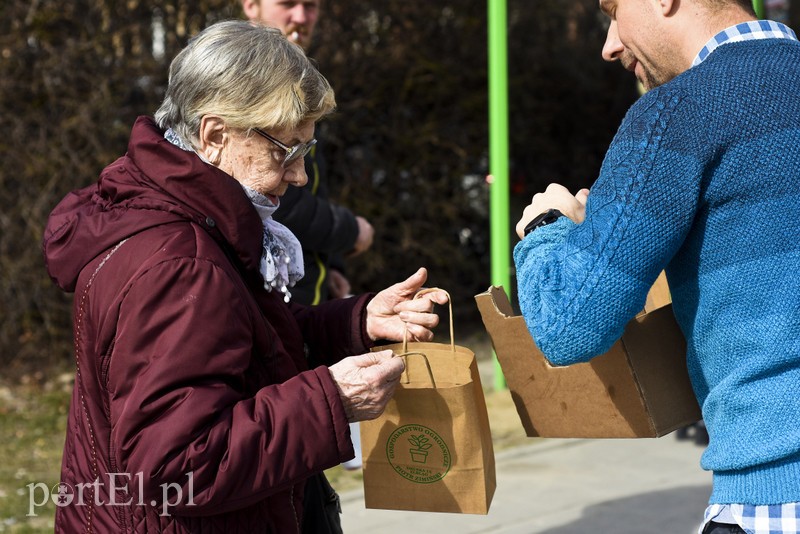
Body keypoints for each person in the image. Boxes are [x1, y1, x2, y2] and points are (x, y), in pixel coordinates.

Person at [42, 21, 447, 533]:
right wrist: (331, 401)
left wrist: (355, 321)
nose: (299, 175)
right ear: (214, 135)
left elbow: (240, 346)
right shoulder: (180, 263)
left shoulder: (176, 217)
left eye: (307, 151)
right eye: (288, 149)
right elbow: (178, 466)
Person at [513, 1, 800, 533]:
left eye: (613, 10)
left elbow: (568, 324)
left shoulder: (678, 113)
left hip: (773, 501)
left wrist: (546, 231)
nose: (609, 43)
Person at [242, 0, 375, 306]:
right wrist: (351, 230)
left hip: (299, 301)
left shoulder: (294, 74)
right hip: (260, 300)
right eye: (288, 3)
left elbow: (312, 181)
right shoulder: (244, 72)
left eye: (311, 5)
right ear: (251, 5)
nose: (301, 17)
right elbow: (271, 196)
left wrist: (329, 266)